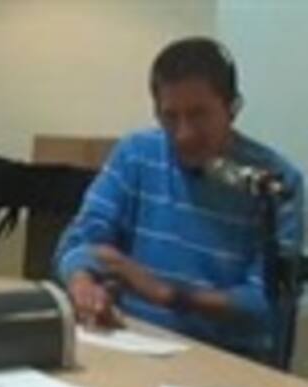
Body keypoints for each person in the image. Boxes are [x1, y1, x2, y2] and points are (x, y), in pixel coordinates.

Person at [54, 37, 304, 363]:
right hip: (134, 341)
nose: (184, 134)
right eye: (170, 117)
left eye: (198, 115)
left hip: (227, 360)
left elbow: (266, 305)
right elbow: (79, 242)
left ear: (232, 108)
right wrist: (82, 282)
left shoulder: (274, 182)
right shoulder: (136, 155)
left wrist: (166, 294)